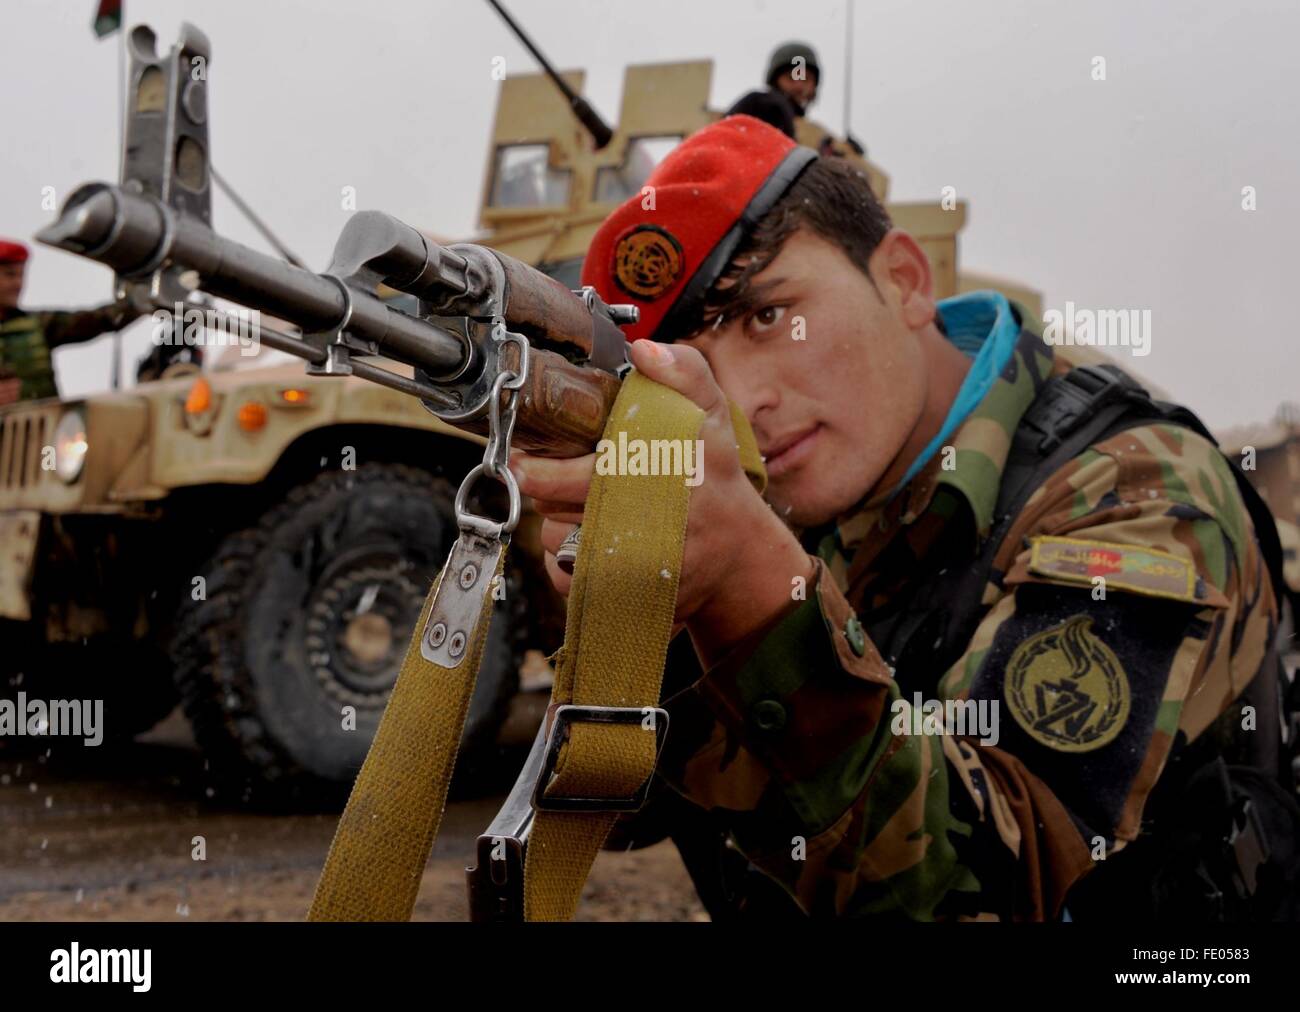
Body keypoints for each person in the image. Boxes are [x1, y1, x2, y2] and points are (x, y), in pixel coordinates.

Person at [510, 116, 1294, 920]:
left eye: (769, 317)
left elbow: (995, 889)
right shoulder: (809, 480)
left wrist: (747, 587)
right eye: (693, 363)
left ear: (905, 280)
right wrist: (644, 613)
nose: (745, 400)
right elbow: (640, 815)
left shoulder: (1138, 495)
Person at [727, 42, 884, 199]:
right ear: (775, 80)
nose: (799, 86)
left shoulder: (814, 134)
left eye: (806, 79)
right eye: (791, 77)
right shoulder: (762, 105)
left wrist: (848, 156)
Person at [0, 239, 141, 405]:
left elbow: (99, 320)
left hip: (42, 426)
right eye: (9, 274)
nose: (18, 284)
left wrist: (139, 299)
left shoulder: (38, 324)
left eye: (21, 275)